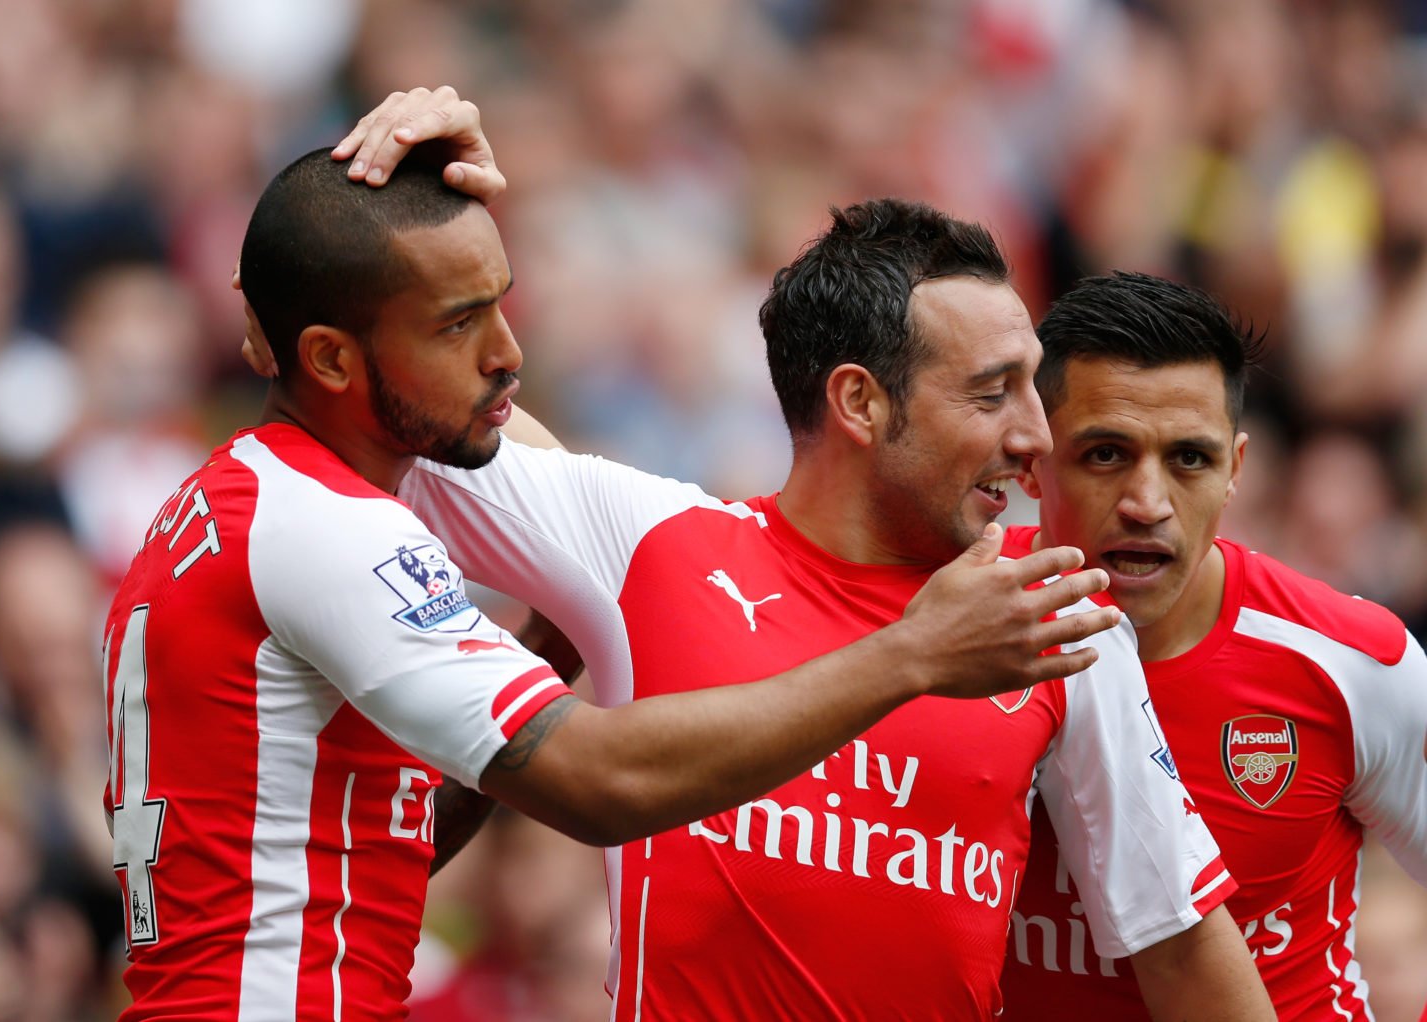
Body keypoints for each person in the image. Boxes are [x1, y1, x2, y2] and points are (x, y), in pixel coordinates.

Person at [102, 90, 1123, 1020]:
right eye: (460, 322)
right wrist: (915, 654)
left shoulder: (239, 498)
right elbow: (597, 786)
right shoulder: (329, 523)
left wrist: (550, 638)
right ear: (326, 357)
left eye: (502, 303)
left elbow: (363, 855)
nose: (506, 350)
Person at [308, 96, 1272, 1015]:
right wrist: (413, 184)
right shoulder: (647, 541)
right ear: (860, 403)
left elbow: (1180, 945)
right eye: (992, 396)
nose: (1036, 437)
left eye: (1034, 392)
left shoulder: (1047, 609)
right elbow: (354, 373)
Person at [999, 271, 1427, 1020]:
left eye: (1189, 459)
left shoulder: (1351, 662)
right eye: (1105, 454)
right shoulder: (945, 627)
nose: (1147, 503)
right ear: (1033, 459)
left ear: (1236, 469)